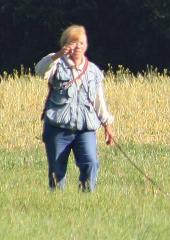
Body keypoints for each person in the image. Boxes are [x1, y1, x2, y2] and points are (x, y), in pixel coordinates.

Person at [35, 25, 115, 192]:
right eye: (74, 42)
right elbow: (40, 71)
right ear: (65, 44)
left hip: (85, 129)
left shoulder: (93, 71)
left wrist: (107, 125)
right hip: (58, 127)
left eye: (81, 43)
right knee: (57, 170)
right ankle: (57, 202)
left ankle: (86, 199)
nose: (78, 46)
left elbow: (99, 100)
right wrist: (58, 55)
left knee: (90, 163)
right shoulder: (55, 64)